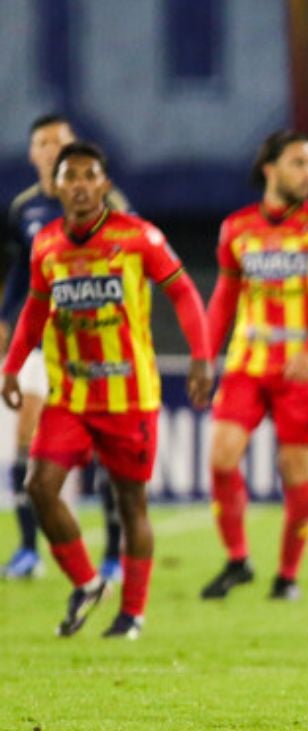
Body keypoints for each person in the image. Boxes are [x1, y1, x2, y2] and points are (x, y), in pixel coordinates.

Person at [0, 142, 213, 639]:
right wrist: (12, 367)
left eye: (88, 175)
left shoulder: (138, 237)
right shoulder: (47, 243)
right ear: (56, 187)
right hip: (71, 398)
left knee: (130, 503)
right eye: (69, 177)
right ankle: (88, 582)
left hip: (129, 398)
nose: (79, 185)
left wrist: (202, 356)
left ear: (104, 184)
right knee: (39, 487)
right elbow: (34, 310)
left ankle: (131, 614)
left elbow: (183, 291)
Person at [198, 131, 308, 602]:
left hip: (302, 371)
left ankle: (287, 575)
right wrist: (204, 356)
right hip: (247, 363)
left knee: (294, 473)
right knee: (220, 457)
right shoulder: (236, 228)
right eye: (298, 162)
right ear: (270, 169)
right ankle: (238, 561)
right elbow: (224, 297)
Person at [1, 114, 128, 581]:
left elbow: (134, 262)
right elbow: (22, 269)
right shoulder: (24, 208)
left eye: (60, 141)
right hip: (42, 338)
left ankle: (113, 556)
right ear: (33, 153)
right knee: (26, 438)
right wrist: (5, 318)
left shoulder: (108, 201)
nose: (51, 148)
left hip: (95, 343)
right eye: (43, 142)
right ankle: (28, 550)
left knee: (106, 449)